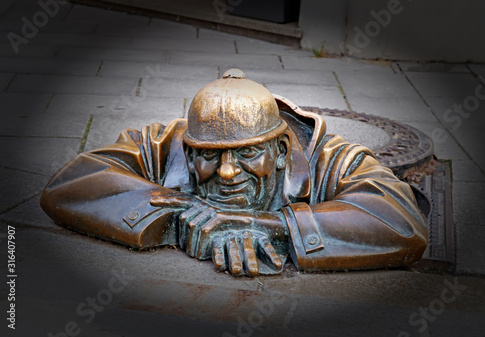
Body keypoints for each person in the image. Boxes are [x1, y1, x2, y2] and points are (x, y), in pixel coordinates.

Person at [40, 69, 428, 276]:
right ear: (190, 152)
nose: (227, 172)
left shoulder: (333, 157)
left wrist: (269, 225)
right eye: (210, 156)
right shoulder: (169, 141)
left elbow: (402, 222)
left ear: (280, 151)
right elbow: (71, 181)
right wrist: (178, 213)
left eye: (247, 154)